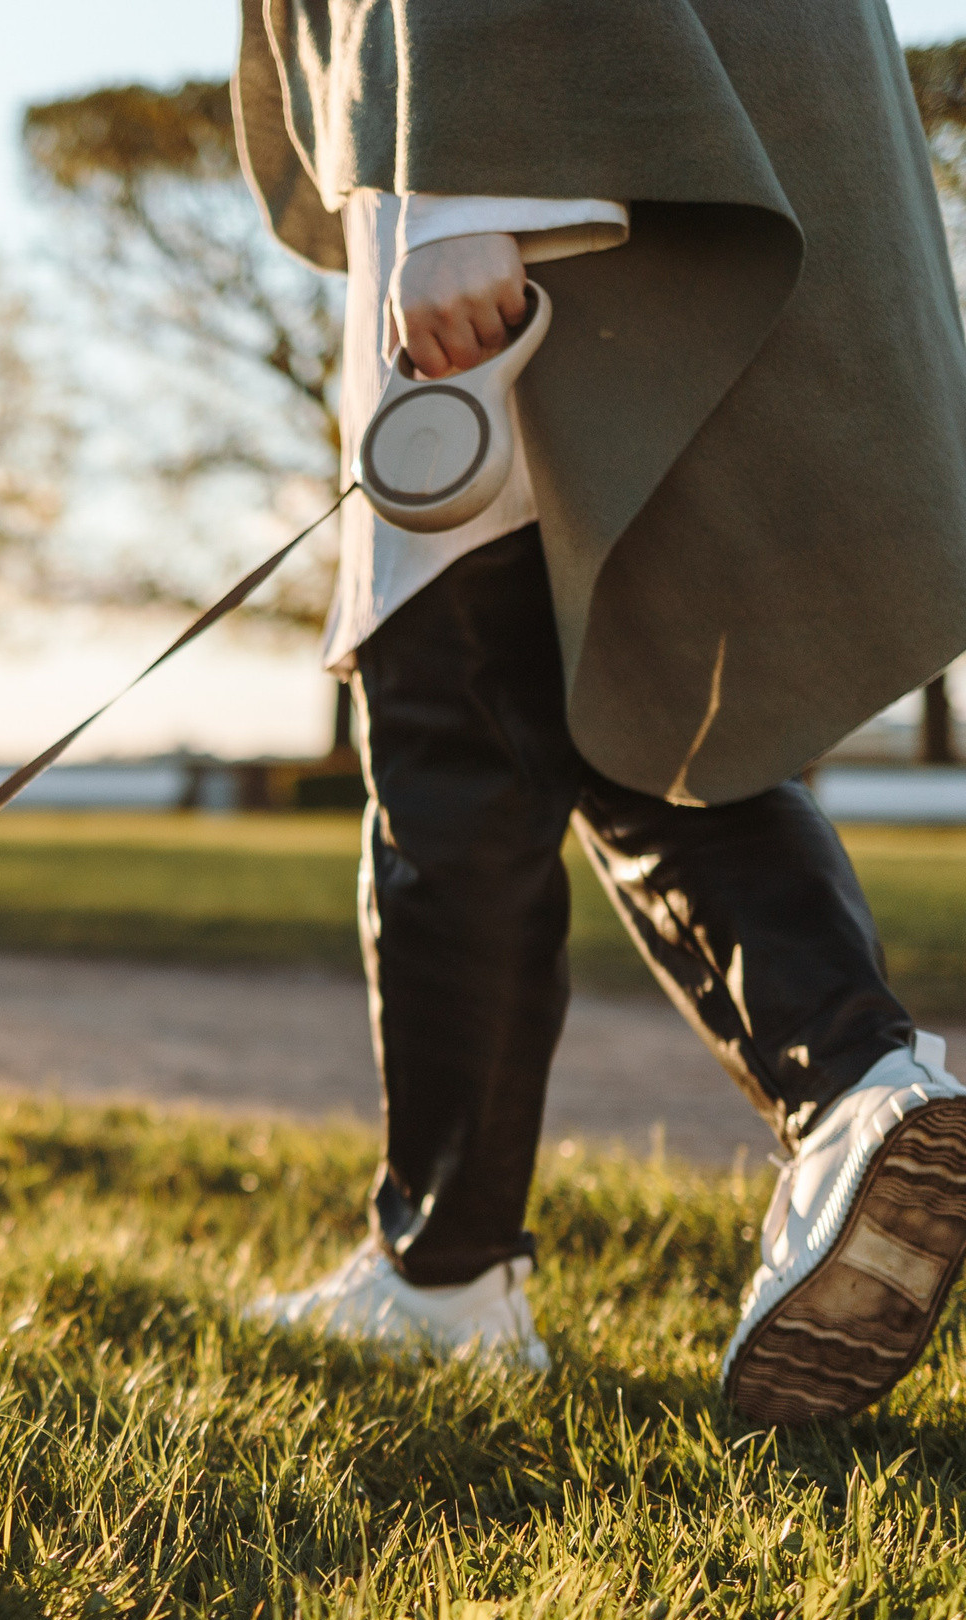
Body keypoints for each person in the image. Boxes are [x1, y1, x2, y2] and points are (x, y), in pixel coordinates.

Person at [231, 0, 966, 1423]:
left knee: (457, 730)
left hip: (524, 170)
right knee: (624, 674)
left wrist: (462, 189)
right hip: (662, 146)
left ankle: (446, 1278)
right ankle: (862, 1087)